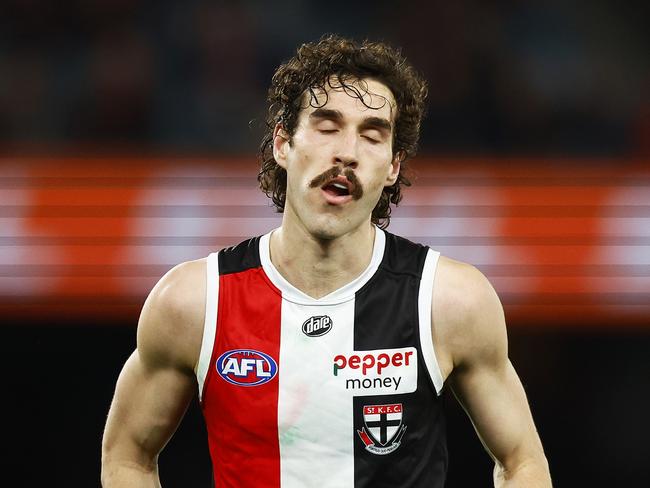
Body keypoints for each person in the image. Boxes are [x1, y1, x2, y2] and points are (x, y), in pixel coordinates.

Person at [101, 35, 552, 487]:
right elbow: (127, 458)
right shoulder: (193, 301)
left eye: (372, 135)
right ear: (283, 143)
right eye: (327, 126)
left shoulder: (450, 301)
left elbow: (522, 462)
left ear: (393, 167)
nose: (347, 153)